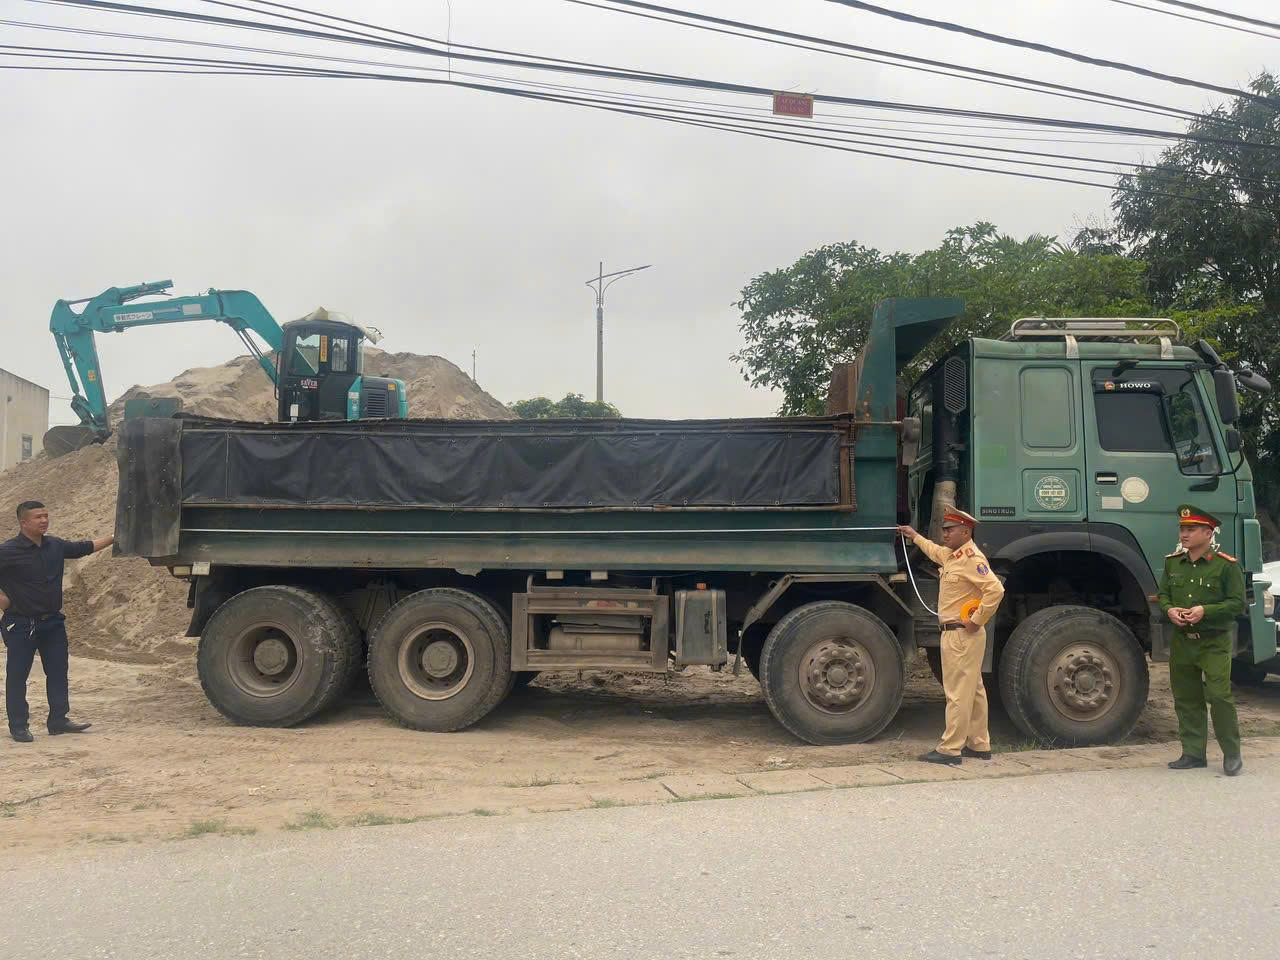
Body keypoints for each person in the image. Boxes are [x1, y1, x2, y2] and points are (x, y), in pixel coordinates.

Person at [897, 509, 1005, 765]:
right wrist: (913, 535)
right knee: (974, 690)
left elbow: (995, 590)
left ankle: (950, 749)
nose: (944, 533)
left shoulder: (971, 558)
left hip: (960, 634)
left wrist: (976, 619)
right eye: (944, 529)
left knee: (957, 693)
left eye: (950, 530)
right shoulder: (953, 556)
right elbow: (933, 550)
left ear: (965, 532)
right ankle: (979, 745)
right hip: (960, 635)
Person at [0, 500, 113, 743]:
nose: (44, 520)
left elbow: (85, 547)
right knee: (18, 676)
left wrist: (115, 537)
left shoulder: (55, 545)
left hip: (52, 622)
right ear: (23, 523)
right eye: (38, 517)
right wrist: (2, 599)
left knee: (58, 672)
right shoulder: (8, 551)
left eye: (46, 516)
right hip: (21, 624)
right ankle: (19, 726)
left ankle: (58, 720)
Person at [1157, 505, 1245, 776]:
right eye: (1182, 529)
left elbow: (1238, 603)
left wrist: (1206, 611)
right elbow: (1163, 595)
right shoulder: (1173, 562)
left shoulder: (1226, 565)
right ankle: (1193, 753)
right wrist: (1169, 610)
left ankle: (1232, 754)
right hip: (1183, 641)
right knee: (1186, 698)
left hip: (1214, 641)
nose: (1184, 534)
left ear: (1208, 533)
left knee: (1219, 696)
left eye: (1191, 529)